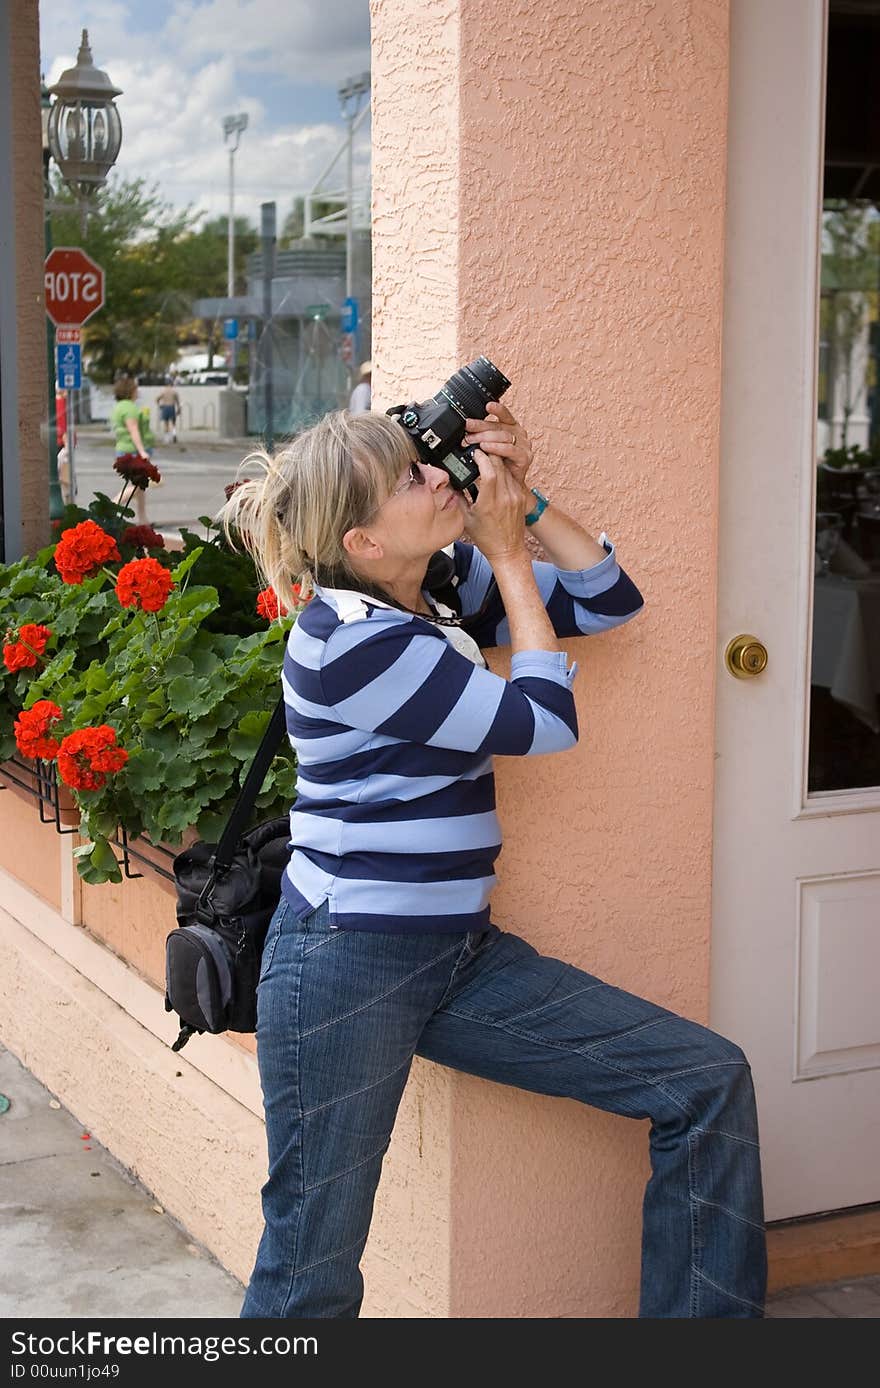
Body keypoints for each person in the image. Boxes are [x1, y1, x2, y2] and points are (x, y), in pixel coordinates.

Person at [221, 401, 767, 1320]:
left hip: (455, 955)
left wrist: (524, 497)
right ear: (362, 541)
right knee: (311, 1262)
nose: (439, 477)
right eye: (412, 479)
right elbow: (543, 724)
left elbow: (606, 597)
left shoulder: (427, 589)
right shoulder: (352, 645)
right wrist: (510, 556)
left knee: (702, 1080)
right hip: (347, 964)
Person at [109, 376, 155, 525]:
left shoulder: (119, 406)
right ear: (130, 391)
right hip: (132, 451)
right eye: (135, 388)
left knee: (140, 486)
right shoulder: (129, 407)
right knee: (138, 486)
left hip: (124, 448)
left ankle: (143, 518)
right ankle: (112, 505)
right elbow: (133, 429)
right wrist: (142, 451)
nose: (138, 391)